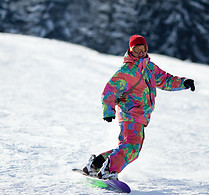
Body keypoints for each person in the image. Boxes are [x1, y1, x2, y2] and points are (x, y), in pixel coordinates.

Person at [83, 35, 195, 180]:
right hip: (130, 114)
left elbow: (165, 80)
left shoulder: (149, 67)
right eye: (137, 50)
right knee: (132, 148)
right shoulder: (126, 71)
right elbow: (109, 91)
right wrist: (108, 111)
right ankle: (109, 170)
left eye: (143, 49)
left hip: (141, 116)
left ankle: (95, 164)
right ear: (130, 50)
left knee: (127, 147)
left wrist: (184, 82)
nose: (141, 53)